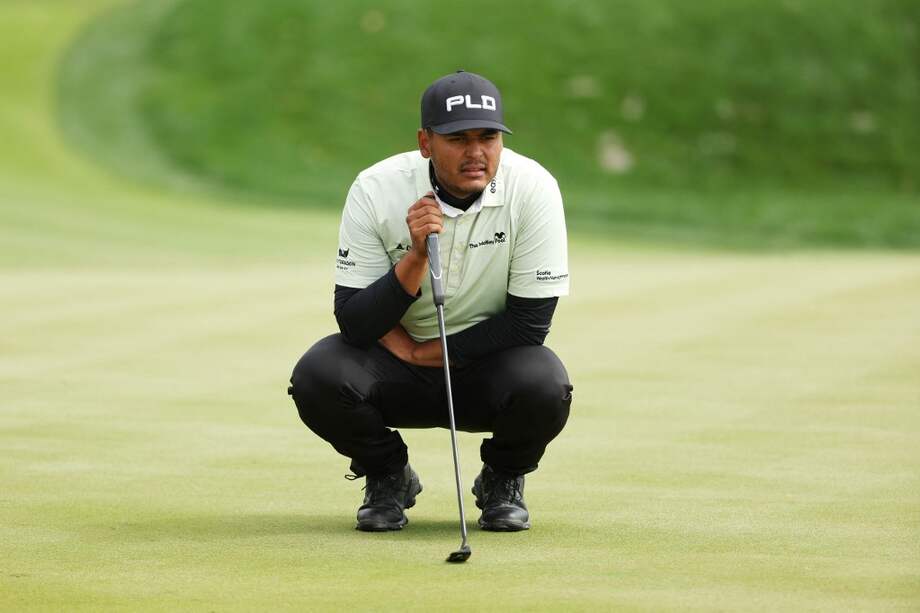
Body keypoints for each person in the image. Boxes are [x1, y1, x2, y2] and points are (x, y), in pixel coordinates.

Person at [288, 70, 573, 532]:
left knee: (545, 385)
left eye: (488, 137)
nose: (476, 152)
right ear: (425, 142)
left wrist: (427, 352)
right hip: (394, 369)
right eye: (457, 139)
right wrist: (416, 256)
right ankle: (387, 476)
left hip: (486, 367)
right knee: (318, 375)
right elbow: (355, 322)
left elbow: (529, 325)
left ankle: (502, 479)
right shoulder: (376, 188)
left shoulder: (533, 188)